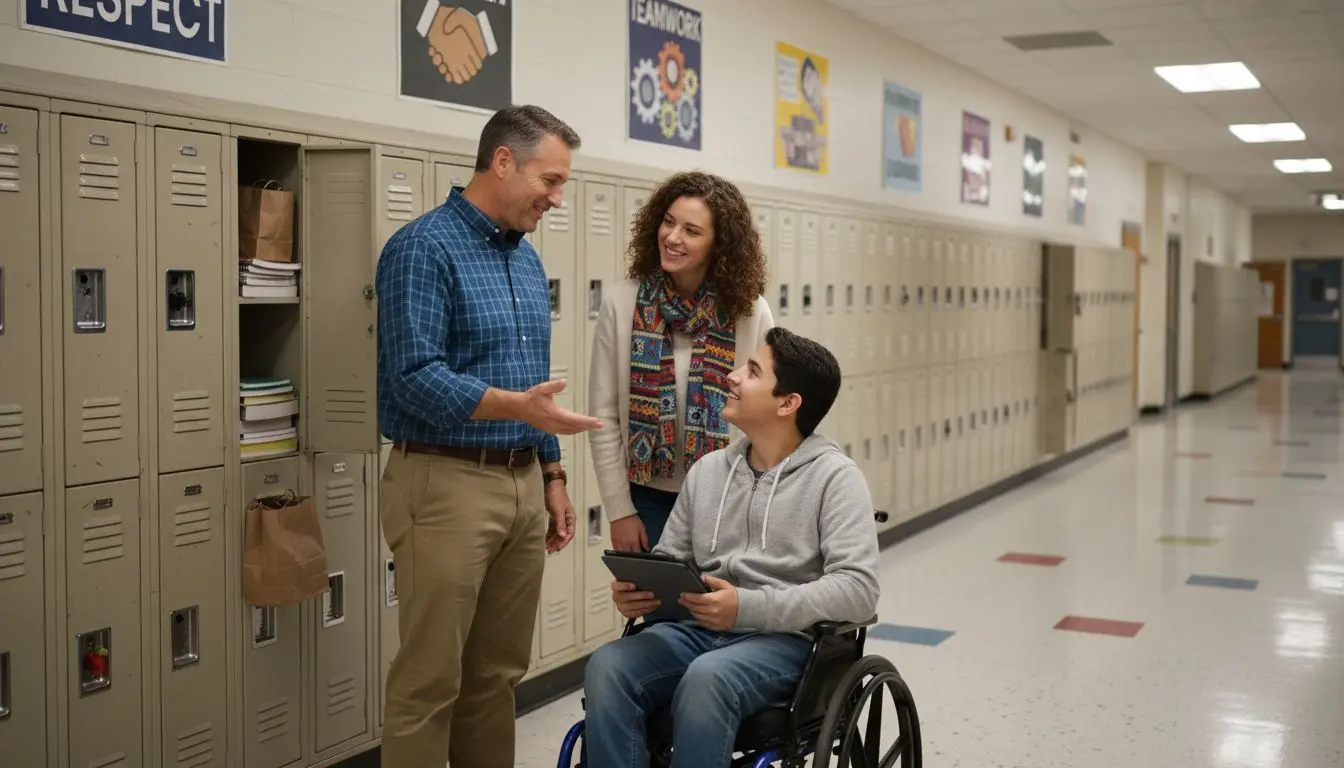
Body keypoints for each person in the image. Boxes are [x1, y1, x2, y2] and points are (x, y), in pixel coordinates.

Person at [374, 104, 602, 768]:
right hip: (445, 483)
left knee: (497, 676)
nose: (557, 199)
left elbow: (536, 388)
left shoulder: (527, 263)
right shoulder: (423, 248)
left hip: (521, 484)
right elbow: (413, 377)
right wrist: (514, 408)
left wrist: (552, 475)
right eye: (551, 181)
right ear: (503, 161)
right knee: (429, 683)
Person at [582, 327, 881, 768]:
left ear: (787, 403)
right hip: (695, 631)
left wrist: (746, 607)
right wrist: (642, 590)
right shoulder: (707, 472)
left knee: (709, 678)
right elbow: (671, 555)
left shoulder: (835, 479)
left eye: (752, 371)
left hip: (786, 642)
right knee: (609, 665)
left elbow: (858, 590)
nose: (732, 376)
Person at [588, 171, 775, 553]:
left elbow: (768, 413)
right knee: (657, 608)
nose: (672, 237)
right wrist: (619, 510)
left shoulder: (749, 311)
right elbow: (604, 415)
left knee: (718, 606)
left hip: (730, 493)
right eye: (669, 222)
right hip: (647, 497)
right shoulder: (622, 302)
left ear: (718, 245)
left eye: (691, 231)